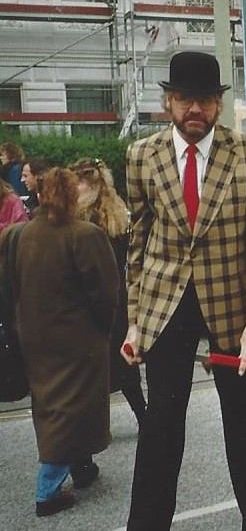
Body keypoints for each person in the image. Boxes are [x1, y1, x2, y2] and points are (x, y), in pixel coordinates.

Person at [120, 51, 246, 531]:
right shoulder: (140, 156)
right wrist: (135, 319)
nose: (196, 109)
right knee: (161, 425)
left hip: (233, 305)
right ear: (169, 101)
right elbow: (139, 240)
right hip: (164, 303)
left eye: (206, 100)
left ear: (218, 104)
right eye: (185, 98)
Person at [0, 167, 119, 516]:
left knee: (53, 405)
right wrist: (105, 329)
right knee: (73, 406)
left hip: (35, 336)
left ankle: (81, 465)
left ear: (38, 194)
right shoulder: (86, 235)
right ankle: (47, 490)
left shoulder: (17, 236)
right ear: (72, 196)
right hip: (78, 337)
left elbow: (7, 287)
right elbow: (106, 292)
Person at [70, 157, 146, 426]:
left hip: (90, 299)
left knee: (91, 368)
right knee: (122, 365)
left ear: (87, 182)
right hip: (117, 297)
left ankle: (92, 432)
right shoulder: (117, 209)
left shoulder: (82, 217)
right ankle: (144, 417)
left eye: (77, 182)